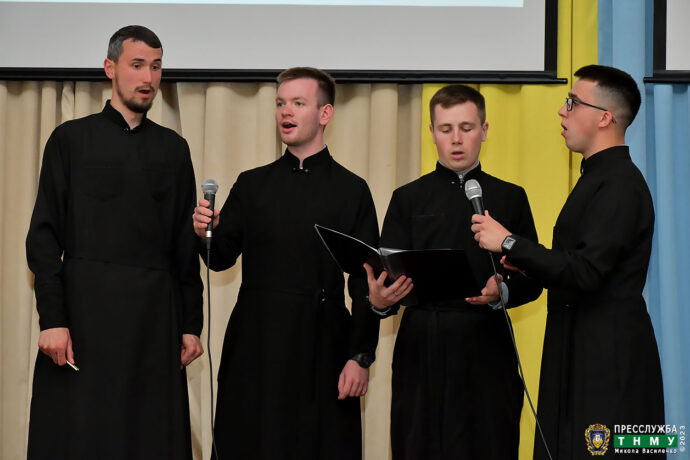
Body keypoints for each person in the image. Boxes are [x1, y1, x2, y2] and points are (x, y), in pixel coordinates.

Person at [25, 25, 204, 460]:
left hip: (153, 323)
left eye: (156, 67)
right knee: (81, 436)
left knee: (149, 438)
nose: (148, 78)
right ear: (110, 68)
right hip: (84, 318)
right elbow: (44, 236)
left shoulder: (174, 149)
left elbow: (184, 247)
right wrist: (52, 319)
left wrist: (190, 324)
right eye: (137, 65)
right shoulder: (70, 139)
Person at [472, 65, 665, 459]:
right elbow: (579, 262)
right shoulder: (598, 178)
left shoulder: (621, 184)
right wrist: (526, 264)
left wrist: (508, 241)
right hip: (582, 349)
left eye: (573, 103)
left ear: (605, 118)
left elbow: (587, 272)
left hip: (608, 363)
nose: (562, 111)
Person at [193, 67, 380, 459]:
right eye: (280, 103)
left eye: (298, 103)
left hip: (323, 346)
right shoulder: (252, 184)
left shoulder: (352, 189)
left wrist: (360, 355)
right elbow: (220, 258)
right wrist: (204, 231)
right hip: (255, 345)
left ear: (325, 113)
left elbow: (366, 280)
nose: (285, 111)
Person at [366, 84, 543, 459]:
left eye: (466, 127)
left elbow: (533, 279)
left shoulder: (510, 196)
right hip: (421, 345)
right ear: (431, 132)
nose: (457, 139)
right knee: (418, 445)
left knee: (489, 443)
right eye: (446, 129)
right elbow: (388, 273)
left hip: (486, 345)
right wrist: (380, 301)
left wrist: (503, 289)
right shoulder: (407, 198)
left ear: (484, 130)